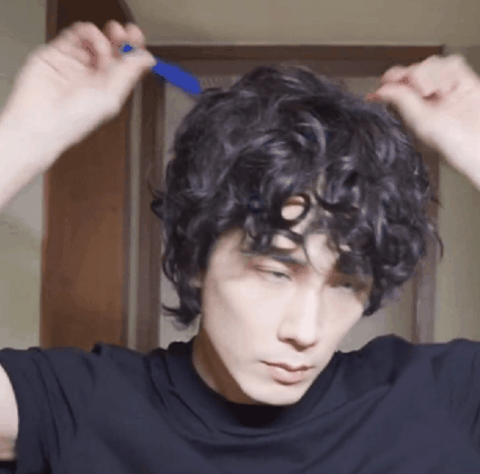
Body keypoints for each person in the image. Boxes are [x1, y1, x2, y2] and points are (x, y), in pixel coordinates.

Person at [0, 19, 479, 473]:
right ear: (196, 258)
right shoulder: (81, 404)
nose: (305, 331)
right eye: (276, 271)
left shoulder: (443, 398)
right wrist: (23, 137)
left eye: (346, 284)